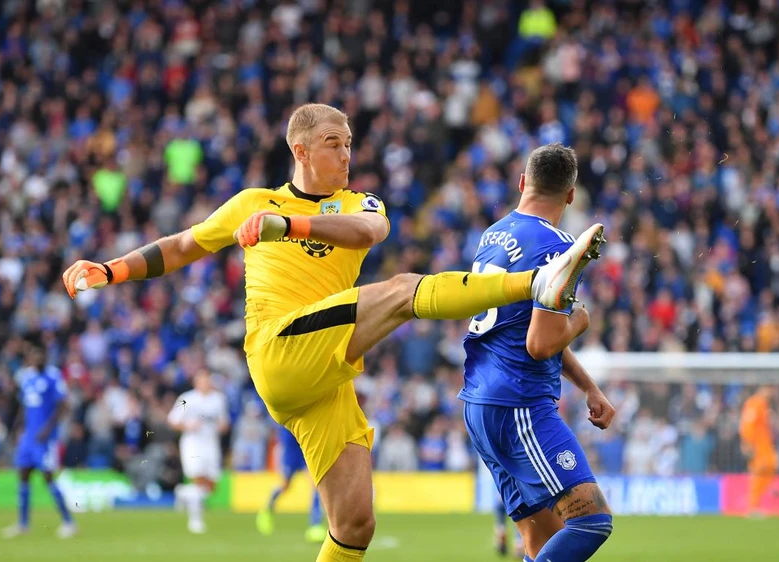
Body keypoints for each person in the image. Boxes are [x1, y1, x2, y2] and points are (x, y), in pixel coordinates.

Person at [62, 103, 604, 562]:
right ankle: (536, 281)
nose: (346, 154)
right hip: (279, 347)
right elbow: (182, 246)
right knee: (402, 290)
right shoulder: (253, 203)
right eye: (332, 144)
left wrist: (291, 225)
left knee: (354, 524)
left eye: (349, 144)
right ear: (300, 150)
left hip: (322, 374)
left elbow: (369, 230)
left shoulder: (358, 204)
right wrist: (112, 270)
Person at [461, 143, 615, 562]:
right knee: (591, 521)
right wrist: (581, 321)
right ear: (570, 194)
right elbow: (541, 343)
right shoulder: (558, 248)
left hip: (480, 404)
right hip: (520, 406)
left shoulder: (493, 234)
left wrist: (588, 386)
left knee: (542, 543)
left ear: (522, 182)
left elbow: (527, 332)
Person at [1, 341, 77, 539]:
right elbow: (24, 407)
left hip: (45, 439)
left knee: (48, 477)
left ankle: (69, 522)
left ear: (46, 357)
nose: (38, 359)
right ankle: (23, 524)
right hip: (28, 437)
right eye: (35, 356)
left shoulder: (53, 376)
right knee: (23, 475)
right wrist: (16, 429)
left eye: (41, 355)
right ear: (30, 358)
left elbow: (63, 406)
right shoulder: (27, 377)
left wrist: (48, 429)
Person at [167, 371, 230, 534]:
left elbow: (224, 422)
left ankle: (182, 492)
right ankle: (195, 521)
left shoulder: (218, 399)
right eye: (201, 380)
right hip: (193, 444)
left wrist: (222, 426)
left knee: (211, 486)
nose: (205, 383)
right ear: (195, 382)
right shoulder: (186, 398)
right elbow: (172, 420)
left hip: (211, 444)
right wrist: (188, 426)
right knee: (198, 480)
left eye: (207, 380)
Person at [257, 424, 327, 543]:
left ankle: (315, 525)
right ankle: (268, 508)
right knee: (285, 485)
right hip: (291, 448)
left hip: (306, 446)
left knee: (315, 485)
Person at [739, 385, 778, 517]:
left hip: (765, 445)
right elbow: (747, 424)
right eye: (770, 389)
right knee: (758, 472)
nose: (772, 393)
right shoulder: (754, 403)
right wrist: (748, 442)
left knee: (771, 465)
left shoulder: (763, 404)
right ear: (763, 389)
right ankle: (752, 506)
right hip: (757, 445)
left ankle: (759, 498)